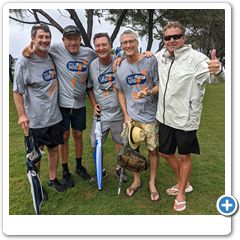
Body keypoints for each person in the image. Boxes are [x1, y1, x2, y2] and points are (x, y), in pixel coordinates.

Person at [155, 21, 225, 211]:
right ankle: (184, 182)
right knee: (165, 152)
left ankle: (181, 192)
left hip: (186, 120)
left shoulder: (197, 59)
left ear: (183, 38)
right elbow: (142, 59)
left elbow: (217, 78)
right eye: (167, 37)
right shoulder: (161, 56)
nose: (171, 40)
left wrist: (218, 69)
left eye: (176, 37)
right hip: (164, 117)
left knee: (184, 156)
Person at [23, 25, 97, 187]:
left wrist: (119, 59)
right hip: (61, 105)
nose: (72, 42)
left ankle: (79, 166)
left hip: (80, 104)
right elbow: (39, 47)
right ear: (63, 40)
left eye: (75, 38)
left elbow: (105, 57)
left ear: (80, 40)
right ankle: (65, 170)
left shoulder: (89, 53)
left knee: (78, 135)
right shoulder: (55, 49)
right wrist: (29, 47)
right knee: (64, 137)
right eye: (69, 39)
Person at [13, 23, 66, 194]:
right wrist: (22, 115)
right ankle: (37, 184)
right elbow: (17, 91)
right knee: (37, 153)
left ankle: (52, 179)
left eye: (47, 37)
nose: (44, 40)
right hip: (35, 119)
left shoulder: (51, 56)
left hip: (55, 116)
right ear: (33, 39)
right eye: (40, 37)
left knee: (53, 149)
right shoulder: (24, 61)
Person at [115, 30, 160, 201]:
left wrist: (148, 92)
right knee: (132, 152)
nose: (128, 45)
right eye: (124, 43)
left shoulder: (150, 60)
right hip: (132, 117)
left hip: (150, 116)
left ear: (137, 42)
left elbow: (158, 85)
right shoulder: (119, 66)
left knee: (153, 151)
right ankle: (136, 180)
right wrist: (126, 115)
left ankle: (152, 182)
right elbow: (120, 92)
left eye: (131, 41)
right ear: (121, 46)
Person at [87, 32, 128, 182]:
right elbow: (89, 87)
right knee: (95, 144)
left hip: (118, 112)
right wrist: (94, 105)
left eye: (104, 44)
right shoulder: (92, 66)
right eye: (98, 45)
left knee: (120, 143)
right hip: (100, 115)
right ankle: (101, 170)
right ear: (95, 47)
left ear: (110, 46)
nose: (101, 48)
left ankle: (120, 170)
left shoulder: (120, 63)